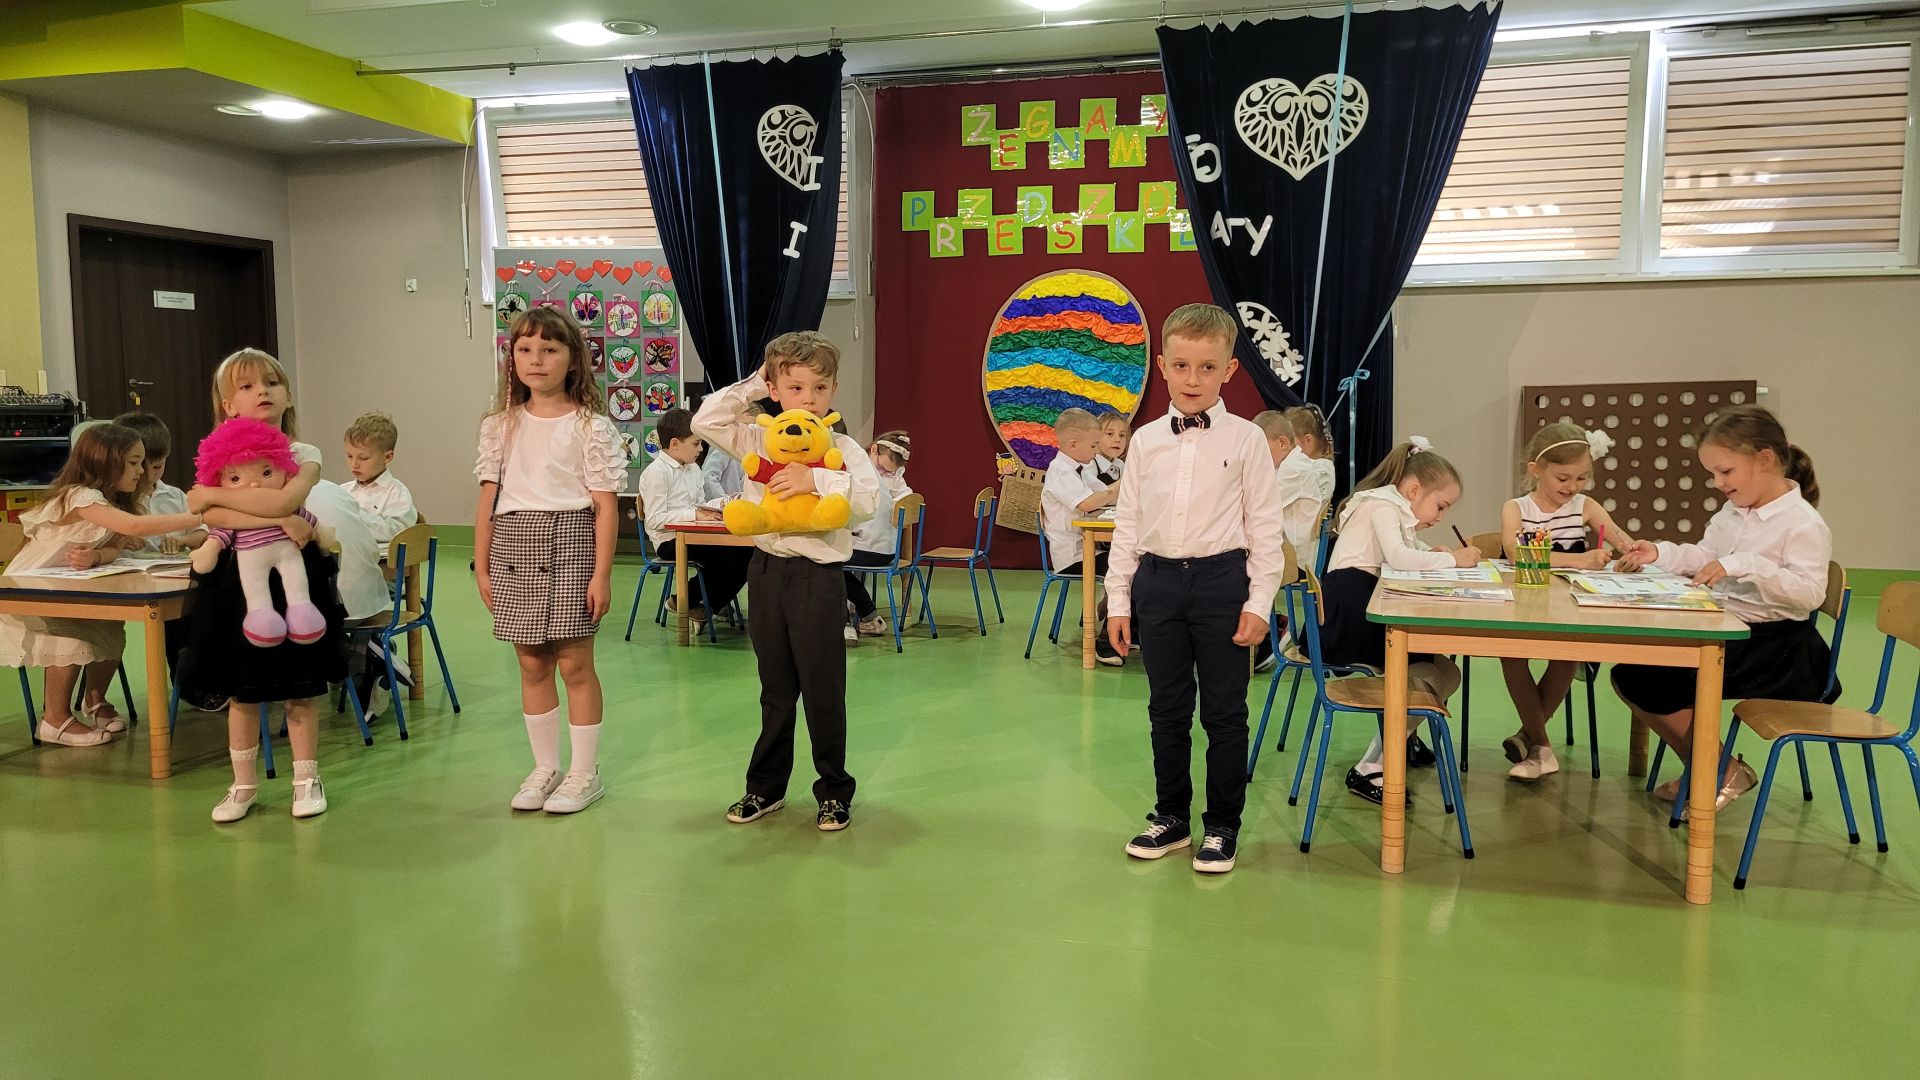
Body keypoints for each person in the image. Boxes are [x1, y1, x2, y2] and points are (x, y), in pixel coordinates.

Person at [1106, 304, 1287, 874]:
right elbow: (1128, 524)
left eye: (1207, 367)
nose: (1192, 379)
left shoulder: (1248, 439)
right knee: (1167, 709)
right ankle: (1171, 817)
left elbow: (1266, 528)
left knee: (1225, 712)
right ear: (1162, 366)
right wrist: (1118, 600)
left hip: (1221, 584)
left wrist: (1259, 602)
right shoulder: (1145, 441)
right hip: (1157, 583)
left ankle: (1223, 825)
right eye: (1181, 365)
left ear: (1229, 370)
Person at [694, 331, 881, 831]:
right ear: (775, 390)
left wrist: (815, 479)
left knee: (823, 689)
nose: (808, 399)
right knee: (775, 689)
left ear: (833, 389)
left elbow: (868, 501)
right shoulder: (758, 439)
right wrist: (755, 384)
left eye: (819, 388)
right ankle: (766, 788)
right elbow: (705, 420)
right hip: (767, 571)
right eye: (795, 388)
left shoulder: (842, 448)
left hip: (818, 576)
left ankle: (834, 790)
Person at [1613, 407, 1833, 811]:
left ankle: (1717, 769)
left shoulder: (1802, 523)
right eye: (1713, 473)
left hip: (1778, 650)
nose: (1718, 483)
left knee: (1643, 679)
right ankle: (1713, 768)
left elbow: (1809, 594)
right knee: (1632, 672)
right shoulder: (1734, 511)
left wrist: (1746, 565)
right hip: (1733, 630)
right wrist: (1659, 553)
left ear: (1765, 459)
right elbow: (1706, 556)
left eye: (1725, 471)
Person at [475, 307, 625, 815]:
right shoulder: (499, 426)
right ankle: (545, 767)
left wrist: (601, 575)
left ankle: (584, 772)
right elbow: (488, 499)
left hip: (571, 541)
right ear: (512, 359)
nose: (535, 359)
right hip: (513, 544)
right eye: (524, 349)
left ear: (573, 360)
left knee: (575, 663)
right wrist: (483, 565)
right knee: (531, 661)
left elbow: (605, 506)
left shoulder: (590, 426)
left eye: (549, 349)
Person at [178, 420, 349, 822]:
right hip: (238, 594)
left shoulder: (304, 454)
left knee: (300, 687)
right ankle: (243, 784)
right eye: (246, 389)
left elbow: (283, 503)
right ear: (226, 404)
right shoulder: (218, 456)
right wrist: (280, 520)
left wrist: (274, 513)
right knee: (243, 692)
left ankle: (306, 779)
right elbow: (211, 515)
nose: (261, 394)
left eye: (270, 387)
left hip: (297, 588)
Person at [0, 424, 200, 745]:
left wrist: (96, 555)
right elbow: (134, 527)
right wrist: (200, 515)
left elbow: (116, 545)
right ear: (106, 462)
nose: (141, 471)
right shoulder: (79, 496)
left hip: (68, 585)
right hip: (29, 589)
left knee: (109, 626)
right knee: (71, 633)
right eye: (133, 463)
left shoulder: (116, 500)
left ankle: (94, 698)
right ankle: (54, 719)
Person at [1319, 437, 1480, 804]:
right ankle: (1372, 765)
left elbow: (1406, 551)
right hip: (1350, 613)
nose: (1439, 518)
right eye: (1440, 506)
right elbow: (1399, 557)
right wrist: (1454, 560)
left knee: (1447, 672)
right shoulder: (1382, 505)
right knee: (1430, 674)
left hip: (1360, 603)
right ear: (1413, 490)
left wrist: (1434, 552)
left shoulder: (1389, 505)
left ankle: (1399, 741)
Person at [1496, 423, 1636, 782]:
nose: (1572, 487)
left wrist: (1632, 554)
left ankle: (1533, 743)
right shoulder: (1516, 508)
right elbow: (1515, 555)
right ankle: (1541, 745)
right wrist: (1580, 560)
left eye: (1582, 478)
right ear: (1535, 470)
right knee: (1511, 655)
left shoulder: (1586, 506)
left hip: (1569, 609)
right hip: (1521, 606)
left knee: (1568, 653)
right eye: (1563, 478)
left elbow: (1623, 541)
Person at [637, 408, 747, 631]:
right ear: (675, 444)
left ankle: (700, 606)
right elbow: (655, 519)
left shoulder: (693, 469)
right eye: (696, 444)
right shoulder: (657, 473)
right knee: (728, 556)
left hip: (696, 535)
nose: (701, 449)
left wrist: (723, 503)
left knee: (747, 553)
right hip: (670, 541)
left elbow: (700, 503)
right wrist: (694, 515)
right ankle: (687, 601)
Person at [1043, 408, 1121, 665]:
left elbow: (1104, 495)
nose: (1096, 451)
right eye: (1094, 445)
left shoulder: (1082, 468)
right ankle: (1105, 641)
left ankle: (1127, 627)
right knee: (1125, 568)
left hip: (1089, 548)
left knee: (1133, 559)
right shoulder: (1061, 471)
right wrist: (1119, 486)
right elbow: (1088, 503)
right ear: (1073, 445)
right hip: (1072, 556)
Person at [844, 429, 912, 645]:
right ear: (873, 450)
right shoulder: (876, 477)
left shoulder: (859, 474)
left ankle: (848, 622)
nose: (883, 473)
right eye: (882, 468)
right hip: (887, 551)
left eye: (888, 471)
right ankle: (867, 616)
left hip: (869, 549)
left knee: (829, 562)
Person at [112, 412, 205, 553]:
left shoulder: (176, 495)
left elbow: (202, 532)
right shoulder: (111, 498)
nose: (148, 475)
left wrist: (181, 540)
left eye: (157, 466)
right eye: (136, 464)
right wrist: (118, 541)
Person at [342, 411, 418, 544]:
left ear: (387, 457)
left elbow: (399, 532)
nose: (354, 464)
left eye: (363, 458)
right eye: (349, 456)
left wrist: (355, 517)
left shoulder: (397, 493)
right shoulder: (342, 491)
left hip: (380, 556)